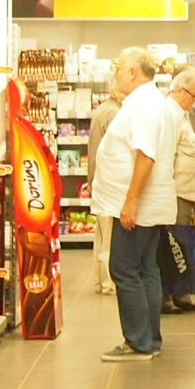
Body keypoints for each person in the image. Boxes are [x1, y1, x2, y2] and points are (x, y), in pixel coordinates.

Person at [91, 47, 176, 361]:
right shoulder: (154, 102)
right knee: (146, 268)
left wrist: (130, 202)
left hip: (138, 206)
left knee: (124, 269)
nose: (114, 75)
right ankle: (150, 339)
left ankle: (139, 342)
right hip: (149, 204)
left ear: (131, 72)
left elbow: (146, 155)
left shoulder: (142, 105)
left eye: (118, 69)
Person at [163, 68, 195, 314]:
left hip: (186, 193)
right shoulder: (170, 116)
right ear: (179, 90)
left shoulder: (183, 115)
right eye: (193, 95)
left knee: (184, 241)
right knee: (176, 244)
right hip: (176, 193)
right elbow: (167, 156)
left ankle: (181, 293)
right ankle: (171, 294)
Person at [87, 79, 124, 295]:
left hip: (98, 180)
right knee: (111, 236)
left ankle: (99, 279)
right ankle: (110, 282)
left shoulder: (102, 110)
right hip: (109, 183)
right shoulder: (115, 114)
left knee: (101, 235)